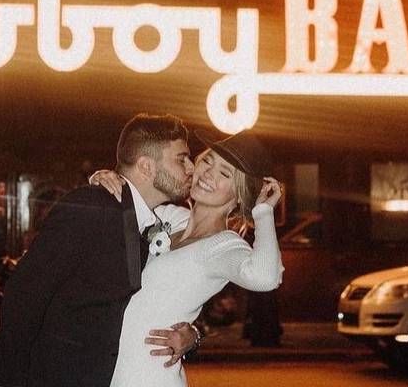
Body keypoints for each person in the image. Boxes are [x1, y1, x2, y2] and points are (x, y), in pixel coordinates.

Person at [0, 113, 200, 387]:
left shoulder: (146, 222)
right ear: (146, 167)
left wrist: (192, 335)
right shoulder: (93, 207)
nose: (191, 168)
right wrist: (2, 381)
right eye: (181, 158)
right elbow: (25, 292)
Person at [91, 128, 284, 387]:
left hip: (149, 377)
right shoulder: (168, 215)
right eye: (207, 161)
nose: (208, 174)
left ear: (239, 194)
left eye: (225, 174)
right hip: (107, 370)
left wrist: (263, 213)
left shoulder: (223, 245)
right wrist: (102, 180)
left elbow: (266, 278)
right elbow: (116, 208)